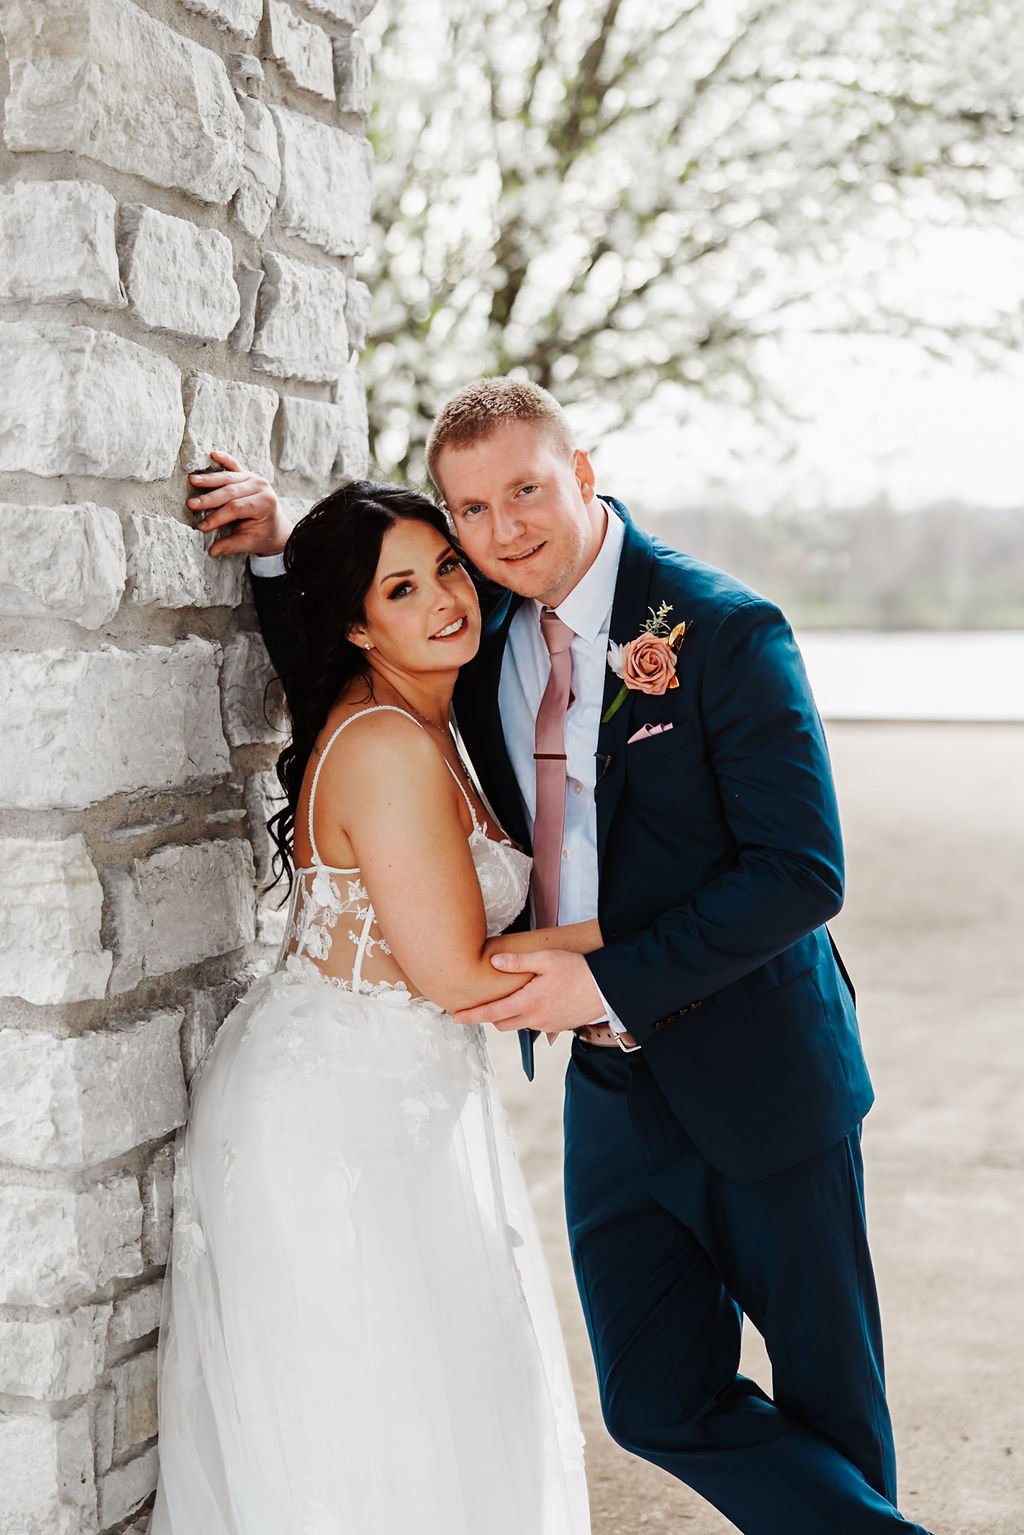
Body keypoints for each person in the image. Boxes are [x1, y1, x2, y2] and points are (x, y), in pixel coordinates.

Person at [191, 378, 935, 1535]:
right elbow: (360, 656)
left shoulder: (724, 628)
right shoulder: (482, 633)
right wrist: (293, 546)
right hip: (611, 1085)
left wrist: (605, 974)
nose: (500, 532)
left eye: (525, 491)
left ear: (581, 473)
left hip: (759, 1065)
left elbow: (801, 872)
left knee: (831, 1396)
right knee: (651, 1397)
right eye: (470, 511)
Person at [150, 481, 593, 1534]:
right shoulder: (389, 747)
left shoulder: (437, 708)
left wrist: (281, 540)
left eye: (447, 565)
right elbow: (456, 977)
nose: (445, 597)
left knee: (429, 1394)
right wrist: (674, 934)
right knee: (371, 1414)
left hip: (404, 1092)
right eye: (401, 588)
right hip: (339, 1115)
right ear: (355, 625)